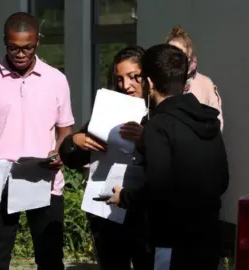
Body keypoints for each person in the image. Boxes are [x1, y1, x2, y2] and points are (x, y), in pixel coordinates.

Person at [0, 12, 75, 270]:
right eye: (13, 48)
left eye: (27, 48)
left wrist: (60, 152)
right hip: (0, 181)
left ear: (37, 42)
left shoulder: (56, 80)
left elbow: (66, 132)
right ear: (4, 42)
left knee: (50, 260)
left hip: (45, 181)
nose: (20, 54)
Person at [107, 44, 229, 270]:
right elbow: (222, 180)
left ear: (150, 83)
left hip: (172, 242)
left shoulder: (159, 126)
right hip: (209, 239)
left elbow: (157, 188)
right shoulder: (208, 119)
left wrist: (124, 197)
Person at [59, 46, 154, 270]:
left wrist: (145, 139)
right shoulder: (108, 110)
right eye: (119, 79)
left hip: (143, 214)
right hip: (106, 212)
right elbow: (70, 157)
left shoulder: (158, 113)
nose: (126, 85)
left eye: (134, 77)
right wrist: (75, 142)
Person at [166, 25, 223, 130]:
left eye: (179, 53)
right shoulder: (162, 82)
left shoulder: (205, 83)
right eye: (170, 53)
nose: (174, 58)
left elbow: (217, 123)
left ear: (189, 54)